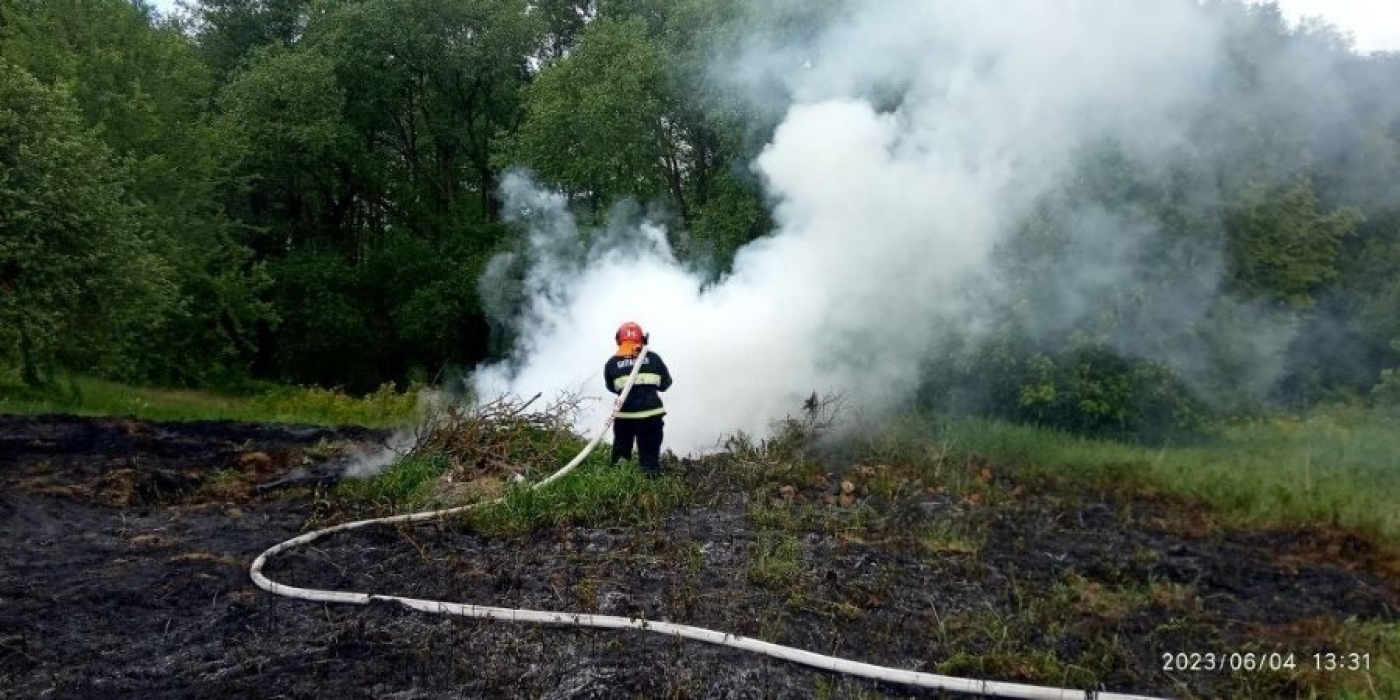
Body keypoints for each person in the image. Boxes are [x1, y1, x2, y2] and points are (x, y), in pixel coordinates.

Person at [603, 321, 672, 477]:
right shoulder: (654, 359)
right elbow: (666, 384)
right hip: (651, 416)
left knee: (621, 457)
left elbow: (611, 387)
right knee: (649, 459)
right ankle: (650, 481)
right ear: (642, 339)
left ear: (618, 340)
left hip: (624, 418)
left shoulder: (611, 363)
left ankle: (618, 486)